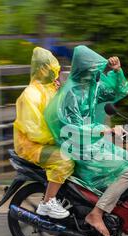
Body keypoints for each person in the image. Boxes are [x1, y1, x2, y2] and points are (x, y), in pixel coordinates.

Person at [45, 45, 128, 236]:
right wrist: (105, 130)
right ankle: (96, 214)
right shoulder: (71, 93)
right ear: (84, 68)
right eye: (94, 68)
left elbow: (117, 92)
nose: (97, 72)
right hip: (77, 146)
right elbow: (73, 127)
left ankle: (113, 207)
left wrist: (118, 71)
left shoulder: (90, 87)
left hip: (92, 141)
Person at [13, 47, 74, 219]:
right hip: (32, 145)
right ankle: (48, 202)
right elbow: (34, 130)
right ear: (42, 69)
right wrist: (58, 139)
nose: (55, 72)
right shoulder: (30, 95)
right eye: (52, 69)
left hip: (48, 140)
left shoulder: (49, 89)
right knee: (65, 160)